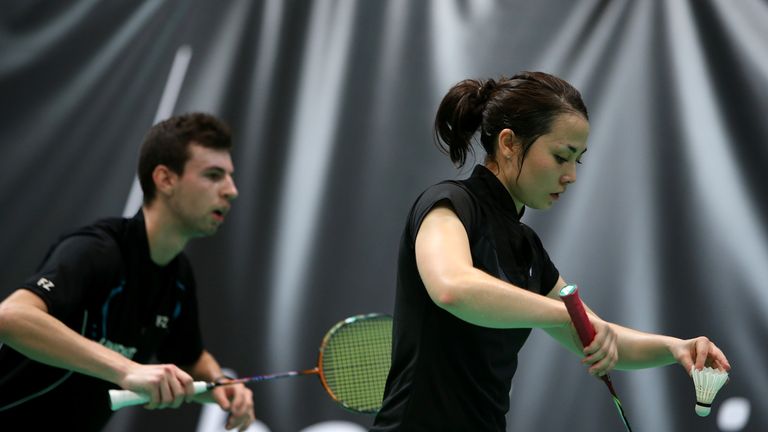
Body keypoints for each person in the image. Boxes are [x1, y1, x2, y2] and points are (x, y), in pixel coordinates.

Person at [370, 72, 731, 432]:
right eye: (562, 156)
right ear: (509, 143)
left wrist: (675, 349)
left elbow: (596, 334)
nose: (572, 175)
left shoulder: (527, 248)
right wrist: (561, 313)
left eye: (579, 159)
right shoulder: (449, 204)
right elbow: (452, 287)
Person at [0, 112, 255, 431]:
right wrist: (127, 370)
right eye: (214, 175)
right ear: (165, 179)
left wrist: (220, 383)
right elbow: (9, 317)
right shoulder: (97, 250)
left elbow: (190, 357)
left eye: (229, 176)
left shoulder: (178, 278)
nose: (231, 190)